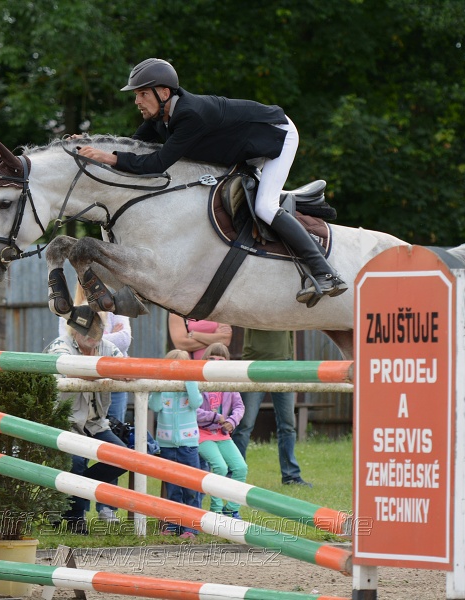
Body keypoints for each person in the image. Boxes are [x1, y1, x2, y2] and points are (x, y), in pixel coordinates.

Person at [78, 57, 347, 306]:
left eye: (142, 93)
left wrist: (107, 157)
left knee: (265, 206)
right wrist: (87, 145)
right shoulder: (160, 117)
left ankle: (325, 273)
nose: (137, 100)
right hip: (242, 145)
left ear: (163, 93)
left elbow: (156, 164)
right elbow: (135, 147)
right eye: (136, 94)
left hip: (276, 136)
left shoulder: (190, 114)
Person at [46, 312, 128, 535]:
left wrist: (108, 372)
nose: (92, 336)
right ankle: (75, 519)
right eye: (86, 331)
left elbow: (126, 369)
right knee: (76, 461)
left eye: (96, 330)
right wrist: (107, 372)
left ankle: (66, 497)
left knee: (122, 458)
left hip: (95, 422)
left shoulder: (108, 347)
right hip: (64, 421)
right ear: (73, 330)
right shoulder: (60, 345)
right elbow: (71, 368)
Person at [232, 329, 312, 487]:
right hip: (254, 363)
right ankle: (235, 474)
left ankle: (291, 476)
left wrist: (292, 366)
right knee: (244, 425)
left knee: (288, 425)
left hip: (285, 363)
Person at [149, 349, 203, 539]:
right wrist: (157, 386)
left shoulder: (190, 386)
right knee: (172, 487)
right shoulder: (163, 388)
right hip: (167, 444)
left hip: (188, 444)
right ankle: (173, 524)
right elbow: (155, 407)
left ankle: (191, 527)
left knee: (190, 487)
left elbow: (196, 402)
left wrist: (189, 381)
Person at [195, 343, 248, 519]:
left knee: (240, 467)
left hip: (222, 434)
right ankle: (216, 509)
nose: (216, 362)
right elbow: (192, 410)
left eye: (220, 359)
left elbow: (239, 406)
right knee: (220, 467)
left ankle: (231, 508)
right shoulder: (197, 381)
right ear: (204, 360)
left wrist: (232, 421)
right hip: (201, 433)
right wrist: (215, 417)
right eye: (211, 358)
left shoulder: (228, 382)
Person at [168, 313, 232, 360]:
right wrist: (215, 337)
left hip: (216, 367)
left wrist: (194, 335)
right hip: (191, 368)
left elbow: (225, 339)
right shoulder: (177, 311)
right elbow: (181, 344)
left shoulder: (219, 307)